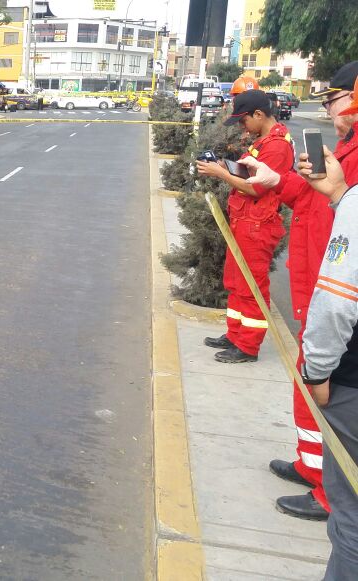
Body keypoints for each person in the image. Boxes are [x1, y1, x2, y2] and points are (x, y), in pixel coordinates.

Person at [242, 62, 358, 520]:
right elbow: (313, 198)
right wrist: (282, 181)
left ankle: (331, 493)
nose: (328, 110)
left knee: (328, 387)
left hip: (335, 287)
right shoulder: (347, 148)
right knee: (312, 387)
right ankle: (313, 468)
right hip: (314, 275)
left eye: (332, 100)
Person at [296, 142, 358, 578]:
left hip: (353, 387)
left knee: (352, 516)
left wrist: (316, 370)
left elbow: (336, 305)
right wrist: (337, 193)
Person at [196, 89, 294, 363]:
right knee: (236, 282)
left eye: (243, 120)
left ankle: (247, 347)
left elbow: (256, 190)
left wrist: (221, 173)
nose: (242, 126)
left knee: (251, 286)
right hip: (245, 223)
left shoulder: (276, 146)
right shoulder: (263, 140)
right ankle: (235, 334)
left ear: (259, 115)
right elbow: (249, 173)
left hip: (257, 226)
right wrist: (226, 166)